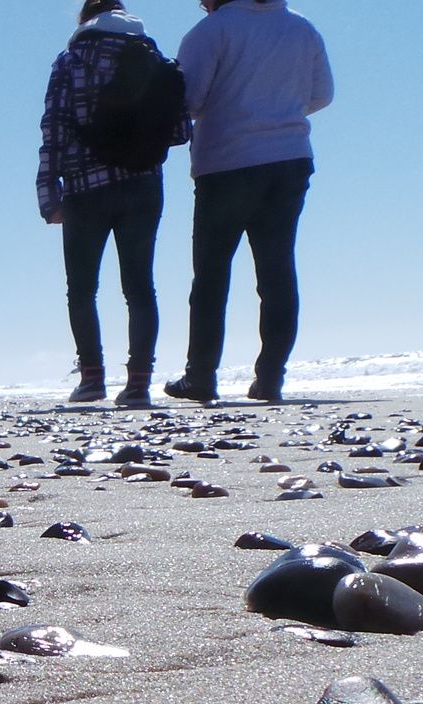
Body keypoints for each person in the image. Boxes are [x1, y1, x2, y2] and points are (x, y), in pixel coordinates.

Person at [164, 0, 333, 405]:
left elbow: (187, 100)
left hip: (228, 160)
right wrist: (279, 111)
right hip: (290, 155)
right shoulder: (301, 27)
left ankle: (201, 375)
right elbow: (323, 94)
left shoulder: (211, 31)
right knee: (276, 271)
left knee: (211, 274)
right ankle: (271, 377)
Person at [38, 0, 189, 408]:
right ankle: (139, 384)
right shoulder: (153, 55)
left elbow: (53, 128)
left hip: (85, 188)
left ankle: (92, 380)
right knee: (140, 286)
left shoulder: (71, 59)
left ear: (85, 18)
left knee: (82, 289)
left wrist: (48, 194)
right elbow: (179, 131)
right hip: (143, 186)